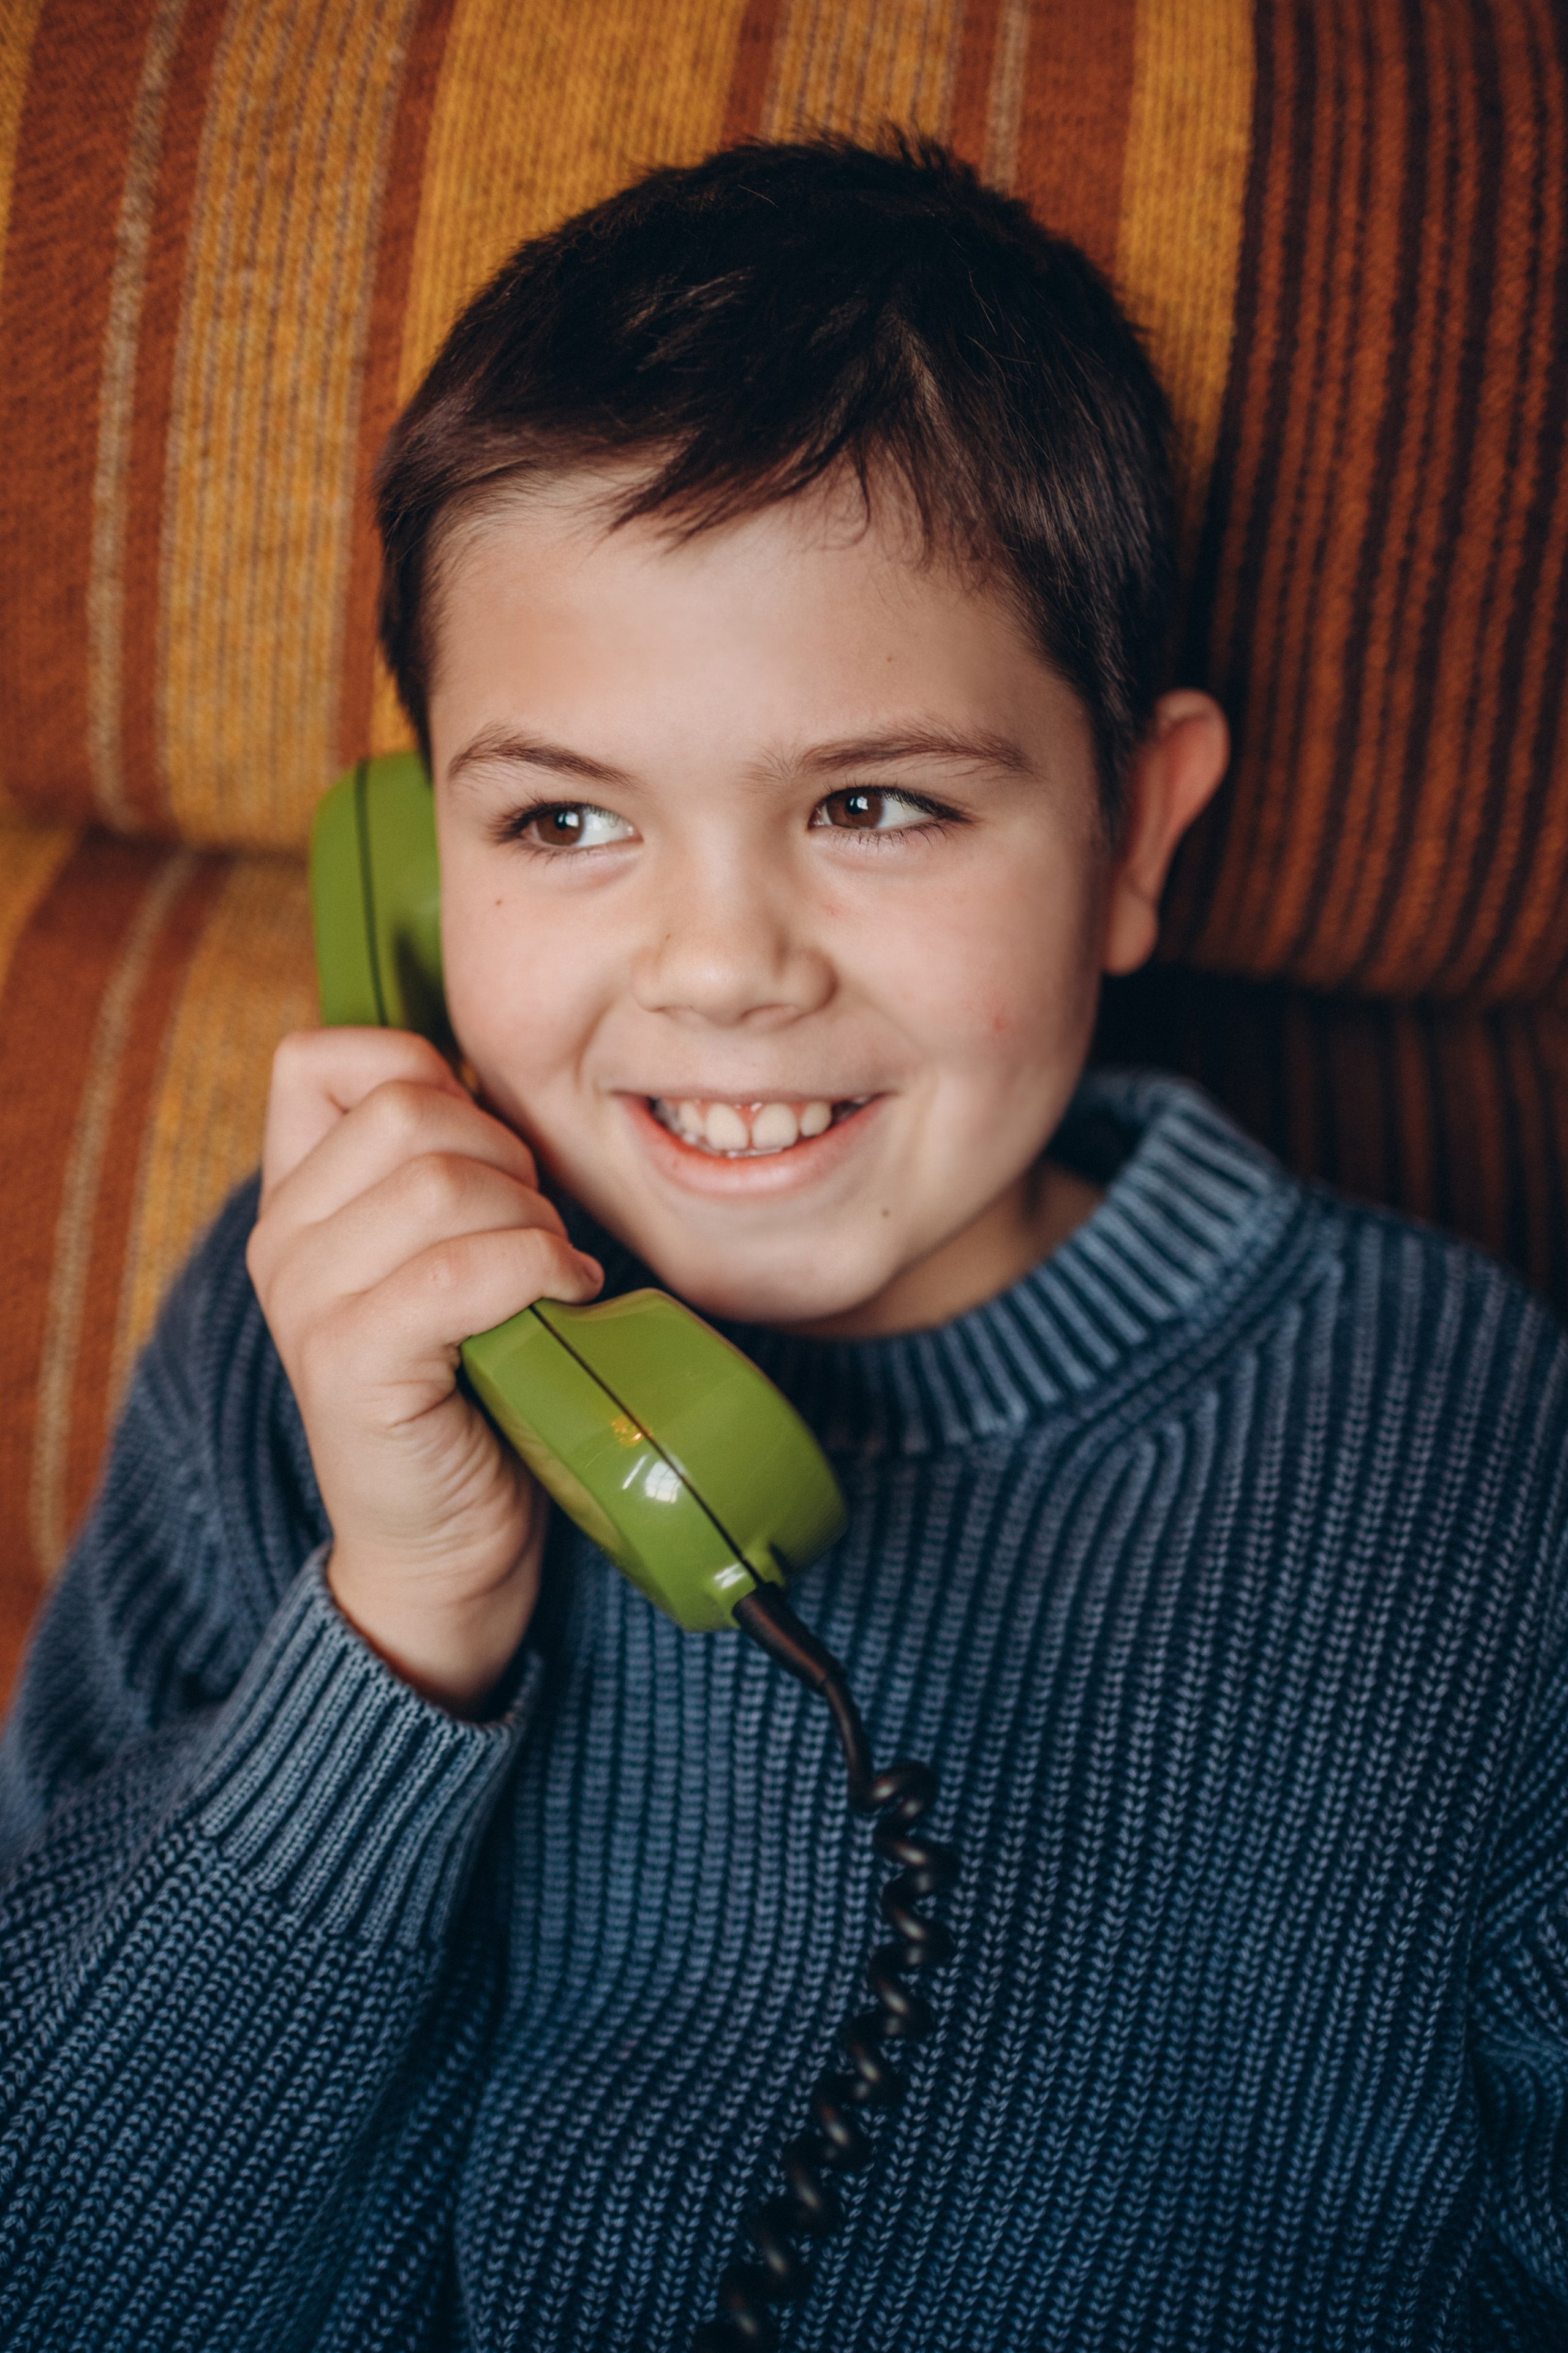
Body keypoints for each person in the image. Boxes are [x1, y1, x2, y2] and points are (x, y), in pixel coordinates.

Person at [2, 135, 1565, 2353]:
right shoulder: (317, 1329)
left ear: (1135, 835)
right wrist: (395, 1631)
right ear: (414, 867)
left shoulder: (1467, 1441)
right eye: (564, 818)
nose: (721, 964)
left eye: (873, 804)